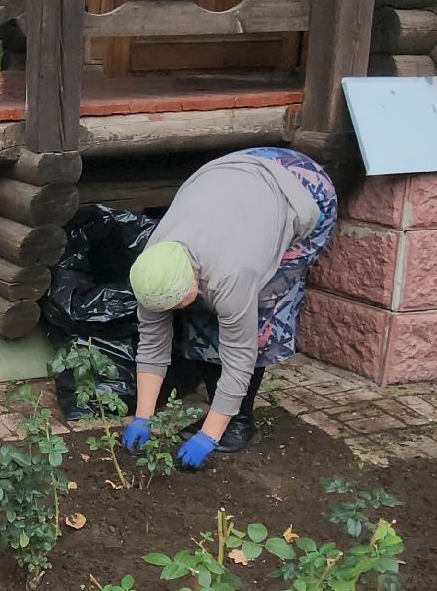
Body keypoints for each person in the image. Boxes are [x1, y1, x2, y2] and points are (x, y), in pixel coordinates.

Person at [117, 146, 339, 470]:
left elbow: (240, 354)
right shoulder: (155, 263)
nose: (175, 310)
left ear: (194, 281)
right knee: (201, 318)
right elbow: (152, 341)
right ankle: (223, 413)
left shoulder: (234, 274)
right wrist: (143, 416)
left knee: (261, 311)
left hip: (301, 190)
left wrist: (209, 436)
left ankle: (238, 424)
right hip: (232, 178)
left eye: (178, 302)